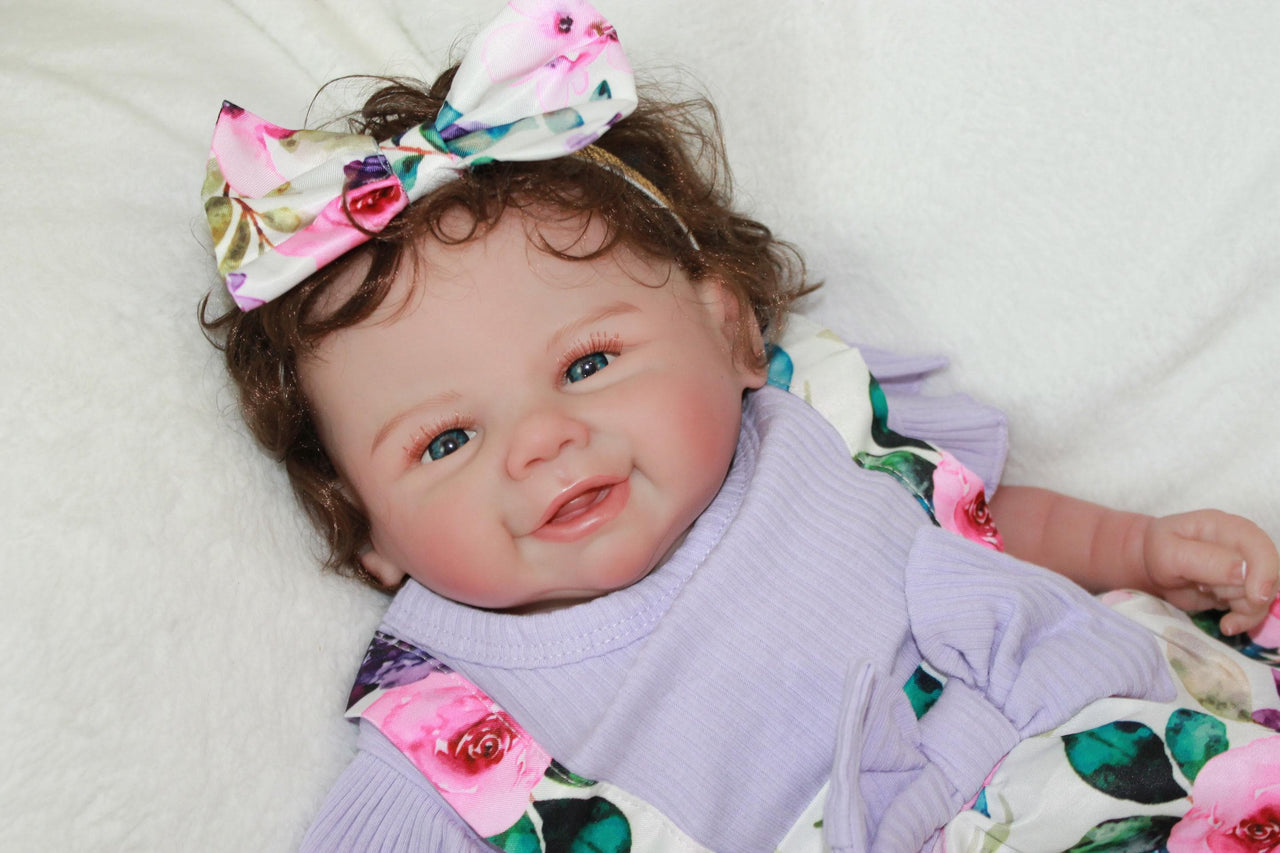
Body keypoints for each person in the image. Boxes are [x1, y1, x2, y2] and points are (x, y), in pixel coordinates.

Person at [199, 3, 1280, 850]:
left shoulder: (808, 420)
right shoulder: (455, 725)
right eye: (445, 441)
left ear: (726, 333)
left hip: (1137, 762)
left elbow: (975, 528)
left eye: (586, 364)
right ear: (371, 530)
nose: (538, 443)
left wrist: (1135, 548)